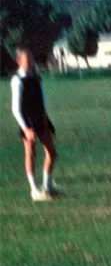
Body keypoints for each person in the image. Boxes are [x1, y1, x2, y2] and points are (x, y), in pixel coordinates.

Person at [10, 48, 61, 201]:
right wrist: (26, 129)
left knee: (52, 153)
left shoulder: (36, 77)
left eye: (31, 59)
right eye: (27, 60)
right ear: (19, 61)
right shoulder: (17, 80)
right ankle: (34, 190)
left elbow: (42, 99)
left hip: (40, 118)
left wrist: (45, 117)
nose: (30, 62)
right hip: (27, 121)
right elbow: (15, 108)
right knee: (30, 154)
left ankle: (47, 187)